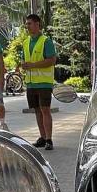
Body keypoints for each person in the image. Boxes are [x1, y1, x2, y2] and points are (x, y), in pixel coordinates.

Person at [21, 13, 58, 149]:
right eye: (26, 24)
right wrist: (23, 65)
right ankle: (42, 137)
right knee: (37, 110)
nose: (27, 26)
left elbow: (52, 60)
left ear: (37, 24)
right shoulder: (25, 42)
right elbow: (24, 59)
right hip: (31, 83)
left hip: (43, 82)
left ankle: (49, 139)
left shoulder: (46, 41)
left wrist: (32, 65)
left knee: (45, 110)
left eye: (29, 23)